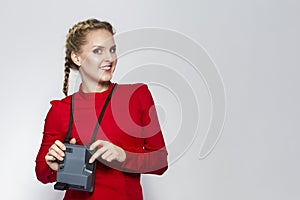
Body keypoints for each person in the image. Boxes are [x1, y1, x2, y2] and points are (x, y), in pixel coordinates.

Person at [35, 18, 168, 200]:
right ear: (77, 57)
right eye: (98, 51)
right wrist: (51, 165)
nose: (110, 58)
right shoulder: (60, 109)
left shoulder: (136, 95)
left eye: (112, 50)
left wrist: (123, 156)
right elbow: (41, 172)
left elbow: (160, 162)